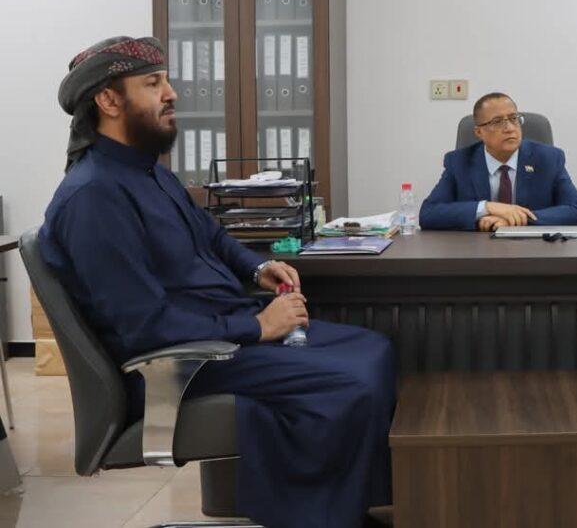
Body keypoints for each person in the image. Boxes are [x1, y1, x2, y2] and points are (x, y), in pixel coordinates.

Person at [39, 36, 394, 528]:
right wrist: (259, 328)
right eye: (153, 84)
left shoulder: (149, 173)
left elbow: (210, 235)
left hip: (218, 333)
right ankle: (316, 516)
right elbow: (145, 328)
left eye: (166, 81)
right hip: (179, 365)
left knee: (373, 349)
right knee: (349, 384)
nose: (171, 94)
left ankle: (348, 508)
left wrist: (256, 269)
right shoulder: (93, 198)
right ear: (108, 100)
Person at [419, 92, 577, 231]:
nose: (510, 128)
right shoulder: (459, 162)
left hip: (534, 252)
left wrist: (515, 219)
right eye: (497, 122)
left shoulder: (549, 158)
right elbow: (428, 214)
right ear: (479, 132)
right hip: (476, 252)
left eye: (514, 119)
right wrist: (487, 207)